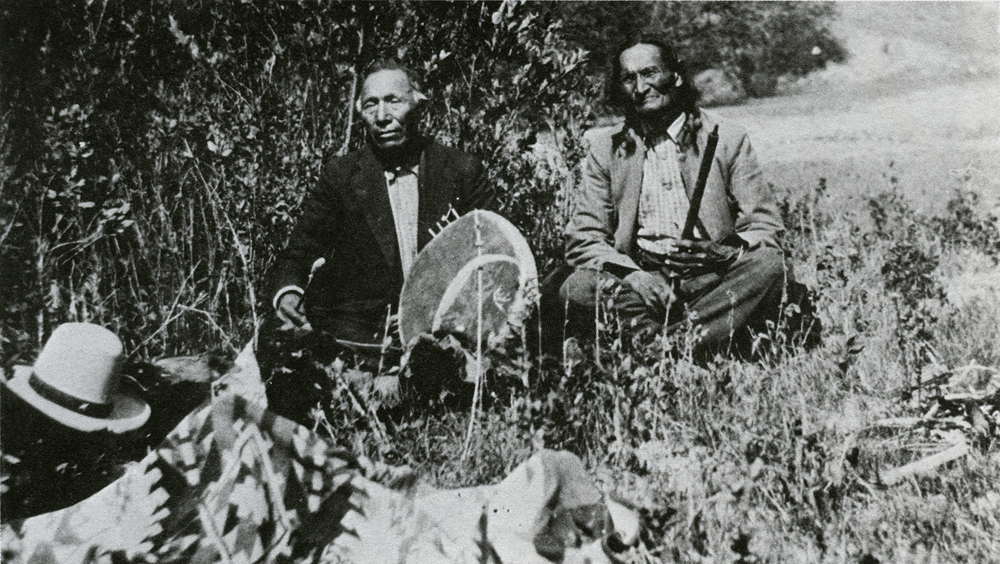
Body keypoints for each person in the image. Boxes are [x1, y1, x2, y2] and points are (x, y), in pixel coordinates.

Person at [548, 34, 815, 360]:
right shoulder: (608, 149)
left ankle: (660, 347)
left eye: (650, 73)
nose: (640, 87)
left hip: (714, 279)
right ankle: (695, 340)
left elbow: (764, 227)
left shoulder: (725, 138)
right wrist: (634, 276)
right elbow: (585, 237)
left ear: (675, 76)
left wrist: (721, 254)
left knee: (770, 267)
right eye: (629, 79)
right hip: (643, 285)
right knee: (576, 287)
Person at [262, 60, 494, 419]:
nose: (382, 116)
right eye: (371, 104)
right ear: (360, 112)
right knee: (275, 344)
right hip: (365, 336)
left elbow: (493, 257)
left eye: (393, 101)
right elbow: (299, 252)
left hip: (446, 331)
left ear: (419, 104)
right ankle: (379, 392)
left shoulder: (461, 171)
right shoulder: (341, 177)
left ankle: (415, 391)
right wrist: (288, 294)